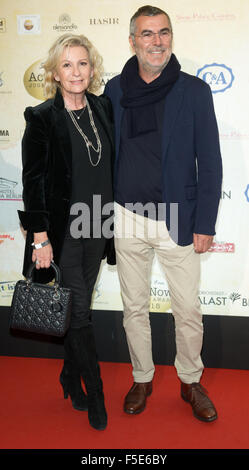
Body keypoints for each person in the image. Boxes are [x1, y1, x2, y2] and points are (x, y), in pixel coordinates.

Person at [105, 5, 222, 422]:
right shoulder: (115, 90)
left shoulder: (194, 91)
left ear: (171, 37)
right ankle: (142, 377)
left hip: (179, 216)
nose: (157, 41)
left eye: (163, 33)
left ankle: (190, 381)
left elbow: (210, 161)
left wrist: (205, 223)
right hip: (125, 216)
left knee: (186, 308)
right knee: (133, 306)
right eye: (147, 34)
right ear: (133, 41)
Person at [18, 33, 115, 431]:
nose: (76, 72)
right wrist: (40, 238)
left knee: (79, 308)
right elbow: (32, 182)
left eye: (83, 63)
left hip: (99, 225)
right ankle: (95, 394)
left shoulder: (103, 108)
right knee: (80, 318)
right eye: (67, 65)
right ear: (55, 73)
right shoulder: (41, 117)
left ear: (92, 69)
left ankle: (67, 376)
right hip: (64, 231)